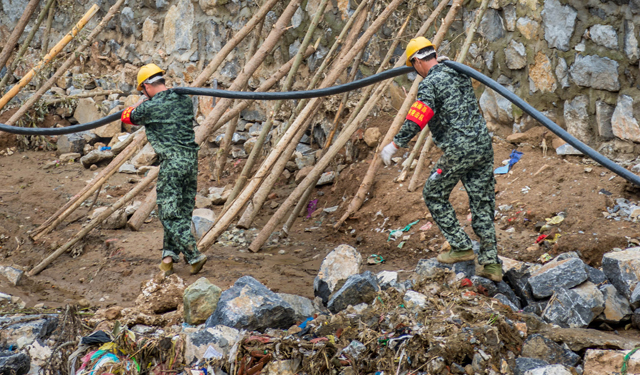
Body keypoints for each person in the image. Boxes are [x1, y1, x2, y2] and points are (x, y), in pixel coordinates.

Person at [380, 37, 502, 281]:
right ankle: (491, 264)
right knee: (482, 200)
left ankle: (461, 246)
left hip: (459, 150)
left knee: (433, 193)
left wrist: (395, 145)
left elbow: (418, 117)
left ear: (415, 62)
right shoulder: (458, 71)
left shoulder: (429, 84)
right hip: (482, 145)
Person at [121, 63, 207, 276]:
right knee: (182, 211)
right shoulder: (185, 100)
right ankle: (168, 259)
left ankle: (193, 254)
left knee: (167, 211)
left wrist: (141, 102)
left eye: (142, 90)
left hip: (173, 163)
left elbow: (127, 117)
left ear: (146, 87)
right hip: (191, 161)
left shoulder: (150, 107)